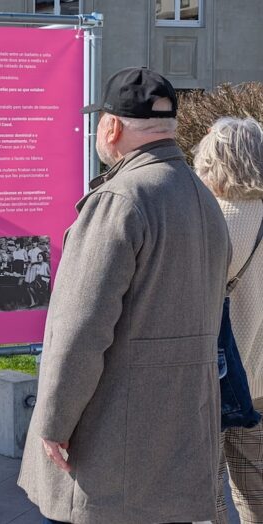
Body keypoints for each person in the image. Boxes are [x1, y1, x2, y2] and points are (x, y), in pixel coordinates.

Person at [17, 67, 230, 524]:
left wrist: (54, 420)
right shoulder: (202, 196)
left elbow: (79, 328)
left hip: (111, 446)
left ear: (111, 127)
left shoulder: (120, 199)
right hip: (180, 435)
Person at [193, 117, 263, 524]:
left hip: (215, 381)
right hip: (259, 382)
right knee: (255, 485)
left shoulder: (208, 219)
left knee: (207, 489)